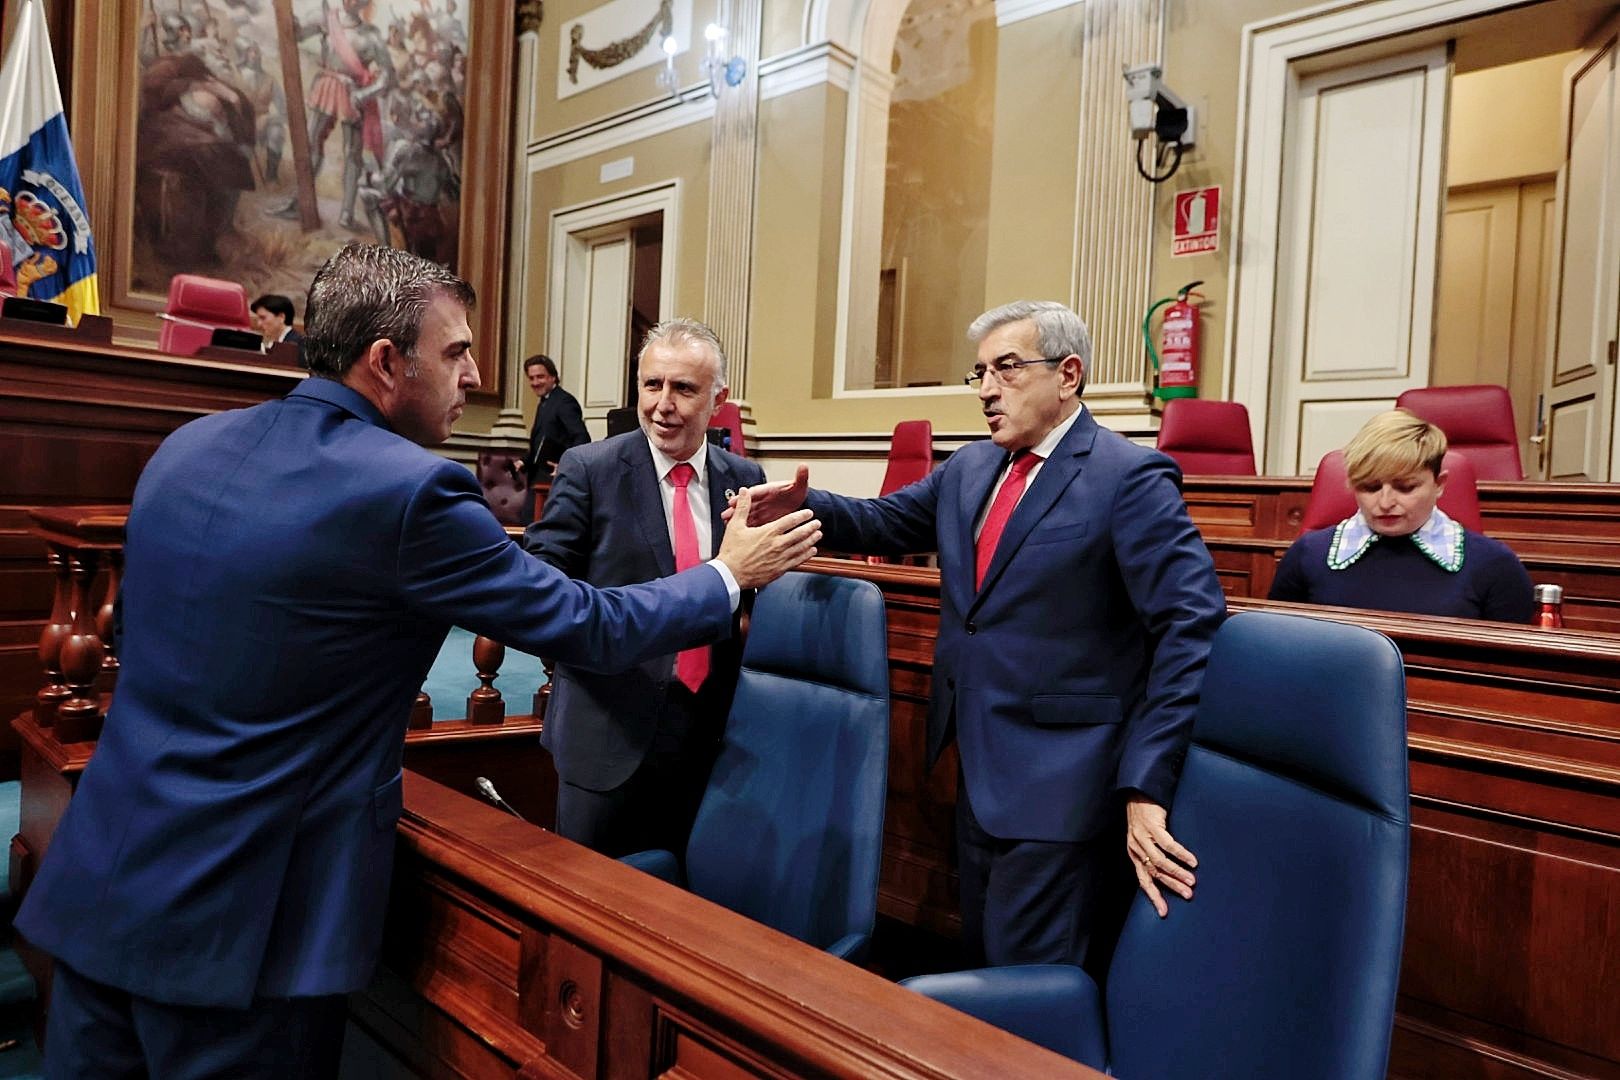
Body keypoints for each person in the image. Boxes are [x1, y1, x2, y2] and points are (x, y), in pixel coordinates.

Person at [13, 243, 821, 1078]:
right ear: (386, 362)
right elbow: (586, 622)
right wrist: (729, 574)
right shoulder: (411, 491)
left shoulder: (187, 448)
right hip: (247, 927)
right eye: (457, 351)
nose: (474, 374)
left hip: (106, 877)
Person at [743, 300, 1227, 973]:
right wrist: (801, 501)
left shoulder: (1128, 478)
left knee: (1031, 988)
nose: (987, 391)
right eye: (979, 374)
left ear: (1069, 375)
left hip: (1067, 785)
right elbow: (882, 522)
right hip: (975, 766)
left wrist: (1146, 782)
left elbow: (1190, 624)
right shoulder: (972, 469)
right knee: (985, 964)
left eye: (1006, 369)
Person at [523, 318, 765, 859]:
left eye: (684, 388)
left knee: (679, 907)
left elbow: (751, 593)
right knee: (587, 906)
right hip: (606, 734)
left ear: (718, 399)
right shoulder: (591, 468)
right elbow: (543, 585)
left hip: (707, 737)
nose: (663, 404)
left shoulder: (744, 479)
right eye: (652, 385)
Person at [1269, 409, 1535, 621]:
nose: (1385, 502)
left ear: (1439, 484)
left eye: (1405, 487)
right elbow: (1277, 647)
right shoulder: (1308, 554)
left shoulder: (1494, 565)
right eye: (1370, 487)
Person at [519, 354, 590, 516]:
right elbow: (543, 442)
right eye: (531, 378)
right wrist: (523, 461)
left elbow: (582, 437)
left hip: (553, 481)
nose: (535, 382)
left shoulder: (564, 401)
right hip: (539, 479)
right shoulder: (545, 402)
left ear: (553, 377)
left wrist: (565, 465)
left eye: (540, 377)